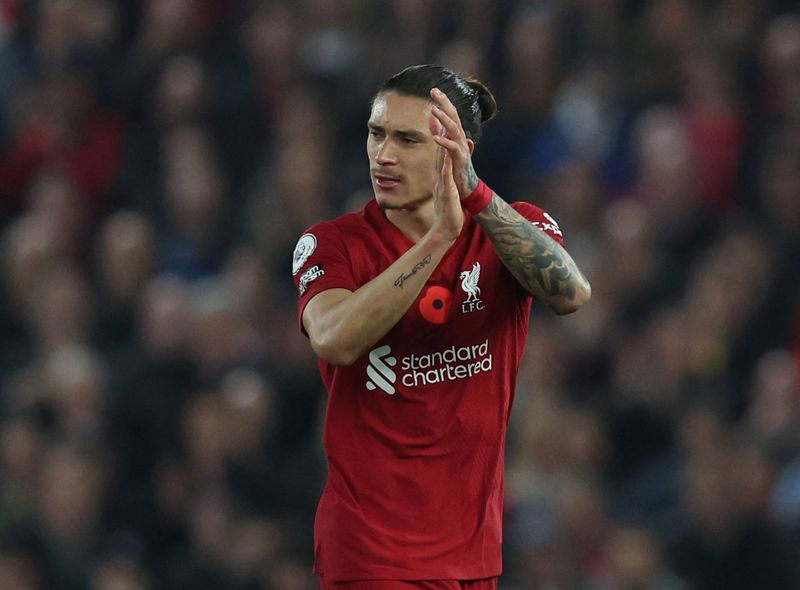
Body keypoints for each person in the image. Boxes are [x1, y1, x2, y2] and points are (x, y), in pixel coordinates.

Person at [291, 64, 591, 589]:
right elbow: (333, 338)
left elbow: (571, 293)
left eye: (406, 139)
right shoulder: (333, 244)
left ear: (457, 151)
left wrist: (474, 200)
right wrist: (437, 242)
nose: (383, 155)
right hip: (372, 553)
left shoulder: (508, 228)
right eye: (376, 133)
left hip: (473, 554)